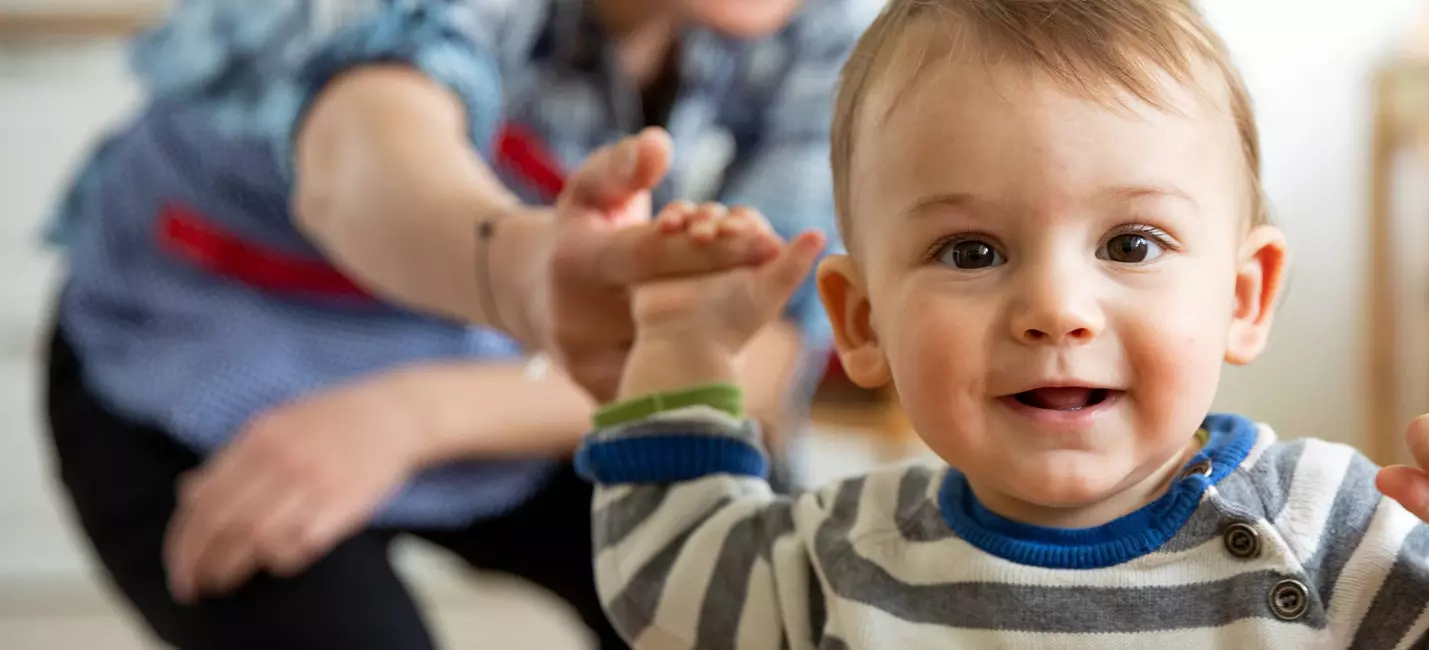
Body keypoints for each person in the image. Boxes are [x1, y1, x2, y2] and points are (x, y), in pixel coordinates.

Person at [570, 0, 1429, 647]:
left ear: (1242, 296)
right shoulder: (842, 551)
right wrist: (679, 342)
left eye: (1130, 244)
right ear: (861, 320)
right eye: (971, 252)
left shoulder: (1323, 528)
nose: (1056, 308)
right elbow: (668, 586)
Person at [40, 0, 869, 647]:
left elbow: (761, 355)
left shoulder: (837, 37)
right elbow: (358, 149)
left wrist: (414, 414)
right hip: (201, 348)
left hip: (514, 364)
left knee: (771, 613)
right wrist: (519, 272)